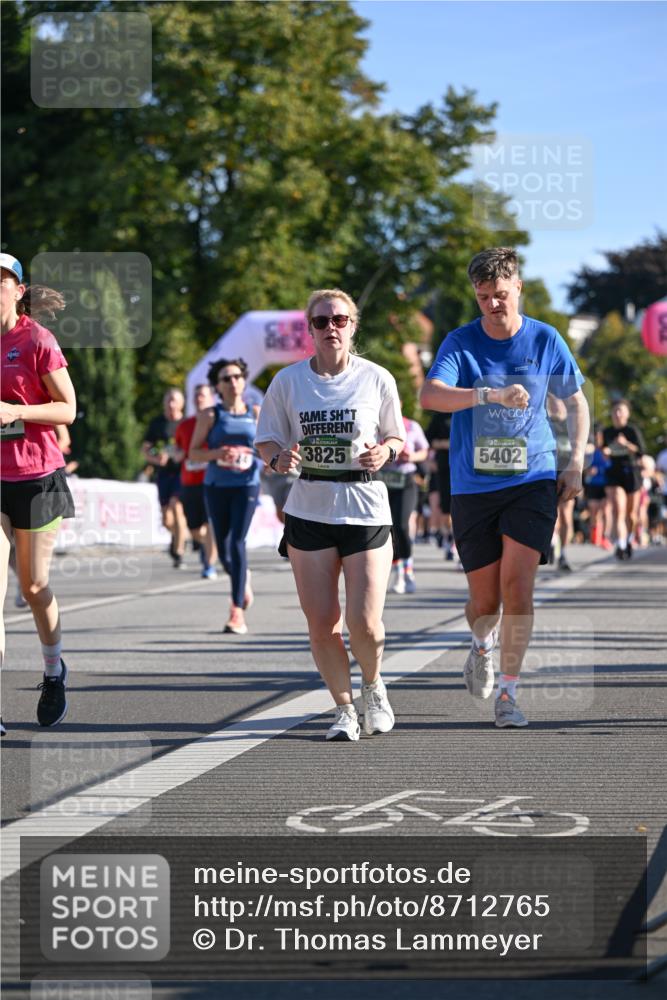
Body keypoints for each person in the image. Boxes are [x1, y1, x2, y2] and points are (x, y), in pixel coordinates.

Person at [420, 247, 589, 729]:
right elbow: (430, 396)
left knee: (518, 587)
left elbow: (576, 402)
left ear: (518, 287)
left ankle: (509, 693)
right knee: (485, 602)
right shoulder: (460, 342)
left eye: (500, 294)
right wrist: (488, 394)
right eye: (483, 297)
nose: (493, 304)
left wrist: (576, 462)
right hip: (473, 485)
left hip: (531, 477)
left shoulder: (545, 338)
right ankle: (481, 644)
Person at [255, 289, 405, 742]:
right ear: (311, 329)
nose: (331, 328)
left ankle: (373, 687)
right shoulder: (288, 381)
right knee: (322, 623)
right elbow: (267, 439)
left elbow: (396, 436)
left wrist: (385, 452)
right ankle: (343, 709)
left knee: (365, 624)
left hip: (365, 507)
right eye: (321, 322)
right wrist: (278, 458)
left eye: (339, 320)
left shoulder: (376, 378)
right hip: (309, 509)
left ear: (352, 326)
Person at [0, 253, 77, 733]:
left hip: (36, 477)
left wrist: (16, 411)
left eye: (0, 281)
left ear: (18, 290)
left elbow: (68, 409)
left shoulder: (36, 340)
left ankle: (53, 671)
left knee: (32, 586)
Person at [189, 358, 260, 634]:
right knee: (224, 548)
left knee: (237, 541)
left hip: (247, 484)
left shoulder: (256, 412)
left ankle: (236, 611)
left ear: (244, 381)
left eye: (237, 377)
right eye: (226, 378)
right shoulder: (210, 415)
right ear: (217, 386)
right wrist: (217, 453)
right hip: (217, 485)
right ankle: (243, 578)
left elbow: (267, 447)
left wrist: (265, 458)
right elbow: (194, 453)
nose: (233, 382)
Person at [173, 383, 218, 579]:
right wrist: (177, 454)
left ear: (211, 399)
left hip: (212, 482)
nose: (199, 398)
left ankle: (209, 565)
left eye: (203, 395)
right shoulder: (185, 425)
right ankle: (208, 546)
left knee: (211, 524)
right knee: (194, 530)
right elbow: (178, 449)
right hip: (189, 482)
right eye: (196, 395)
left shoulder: (217, 423)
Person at [381, 411, 429, 593]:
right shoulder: (376, 424)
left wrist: (411, 457)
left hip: (406, 481)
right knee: (388, 528)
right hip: (382, 480)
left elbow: (424, 451)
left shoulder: (412, 426)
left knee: (401, 525)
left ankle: (408, 570)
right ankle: (398, 572)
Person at [142, 388, 188, 568]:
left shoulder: (186, 423)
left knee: (177, 507)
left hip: (182, 473)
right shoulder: (157, 424)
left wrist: (182, 455)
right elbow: (146, 449)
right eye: (168, 400)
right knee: (166, 520)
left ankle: (179, 552)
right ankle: (178, 535)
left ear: (181, 404)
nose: (171, 404)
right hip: (163, 474)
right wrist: (156, 458)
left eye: (174, 400)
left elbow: (194, 447)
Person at [602, 399, 645, 560]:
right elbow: (603, 450)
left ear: (627, 413)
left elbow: (641, 452)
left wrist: (625, 443)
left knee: (631, 514)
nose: (618, 414)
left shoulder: (632, 430)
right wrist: (605, 452)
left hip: (631, 472)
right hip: (614, 473)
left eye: (621, 411)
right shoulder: (607, 432)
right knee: (618, 510)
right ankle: (620, 544)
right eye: (615, 411)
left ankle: (628, 539)